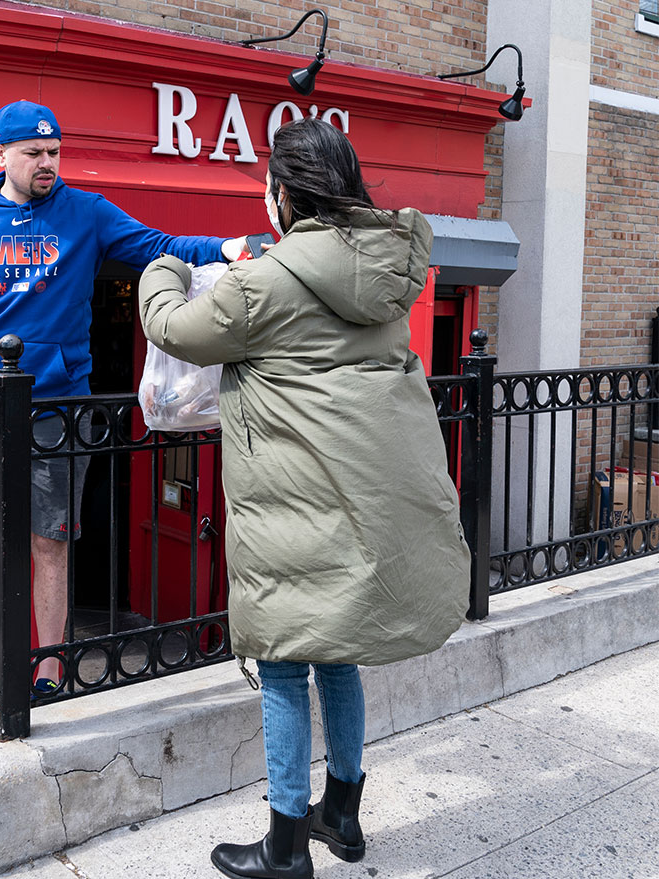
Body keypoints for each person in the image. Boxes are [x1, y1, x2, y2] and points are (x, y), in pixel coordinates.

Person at [138, 117, 470, 879]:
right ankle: (343, 814)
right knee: (338, 656)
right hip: (356, 501)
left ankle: (285, 847)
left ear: (284, 193)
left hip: (294, 505)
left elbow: (174, 327)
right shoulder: (384, 268)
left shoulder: (264, 280)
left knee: (285, 660)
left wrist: (163, 264)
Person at [0, 100, 246, 733]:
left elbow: (157, 247)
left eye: (54, 152)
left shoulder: (87, 214)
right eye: (34, 153)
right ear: (1, 155)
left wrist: (226, 246)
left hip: (58, 406)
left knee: (50, 540)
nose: (48, 162)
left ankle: (50, 673)